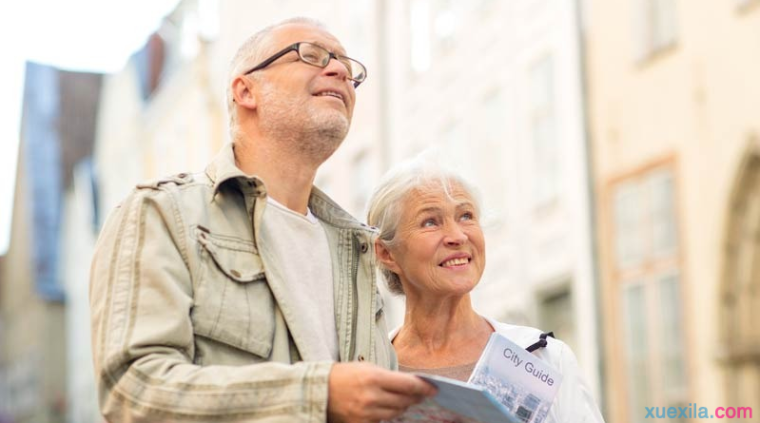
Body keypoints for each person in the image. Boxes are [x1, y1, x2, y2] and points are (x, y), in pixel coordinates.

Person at [89, 17, 435, 423]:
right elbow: (134, 389)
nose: (340, 70)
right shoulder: (163, 214)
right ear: (246, 90)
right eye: (312, 55)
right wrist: (317, 395)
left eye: (347, 66)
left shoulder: (355, 251)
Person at [366, 160, 606, 423]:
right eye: (430, 222)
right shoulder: (368, 374)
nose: (457, 236)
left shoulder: (544, 358)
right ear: (387, 253)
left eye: (466, 216)